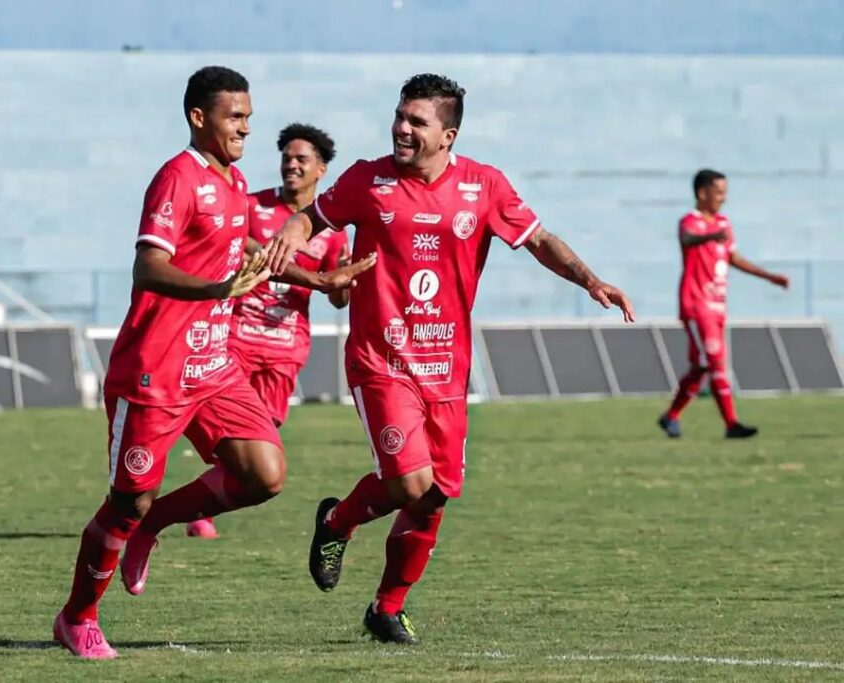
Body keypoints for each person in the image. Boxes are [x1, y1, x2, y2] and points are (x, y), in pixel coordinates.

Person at [265, 74, 634, 644]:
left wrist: (590, 280)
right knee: (410, 483)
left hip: (447, 370)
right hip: (381, 360)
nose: (402, 128)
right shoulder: (369, 179)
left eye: (417, 122)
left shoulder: (483, 186)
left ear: (448, 134)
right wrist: (294, 225)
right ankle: (337, 522)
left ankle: (387, 608)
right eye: (399, 116)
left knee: (435, 494)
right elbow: (314, 217)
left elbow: (538, 239)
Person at [53, 66, 374, 659]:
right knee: (128, 500)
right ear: (199, 117)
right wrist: (215, 290)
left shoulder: (233, 181)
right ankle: (78, 616)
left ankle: (154, 526)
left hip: (213, 366)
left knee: (265, 474)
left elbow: (247, 250)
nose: (245, 128)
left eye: (249, 117)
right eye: (235, 117)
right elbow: (148, 266)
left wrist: (317, 276)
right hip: (156, 370)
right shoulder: (177, 178)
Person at [185, 122, 351, 539]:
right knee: (231, 430)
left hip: (285, 347)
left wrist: (349, 277)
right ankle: (198, 513)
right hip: (237, 336)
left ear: (321, 170)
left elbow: (338, 298)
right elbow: (234, 242)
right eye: (286, 158)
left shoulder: (330, 231)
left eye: (301, 160)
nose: (291, 166)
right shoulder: (251, 206)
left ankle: (204, 504)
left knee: (261, 435)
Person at [658, 170, 789, 439]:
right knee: (715, 361)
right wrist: (711, 236)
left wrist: (768, 276)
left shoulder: (723, 223)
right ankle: (731, 423)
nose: (723, 198)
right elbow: (687, 238)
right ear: (702, 193)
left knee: (702, 366)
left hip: (717, 305)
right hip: (696, 304)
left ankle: (671, 416)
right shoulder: (690, 222)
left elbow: (733, 258)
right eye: (719, 192)